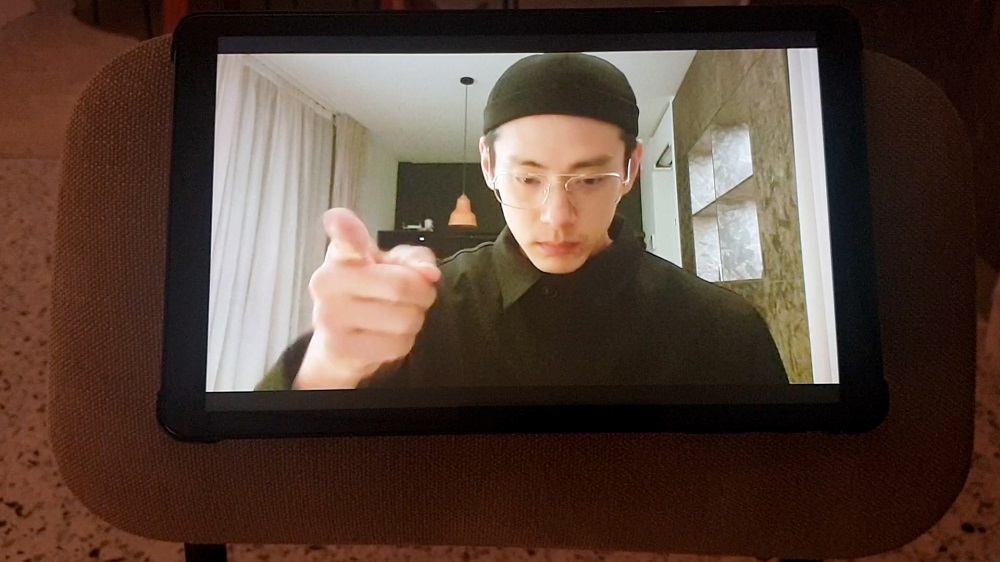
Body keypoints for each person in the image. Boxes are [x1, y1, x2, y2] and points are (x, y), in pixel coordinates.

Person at [255, 52, 789, 391]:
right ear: (489, 166)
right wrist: (329, 365)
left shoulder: (724, 332)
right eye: (528, 178)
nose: (557, 217)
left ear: (631, 169)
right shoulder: (417, 317)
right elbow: (265, 481)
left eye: (590, 179)